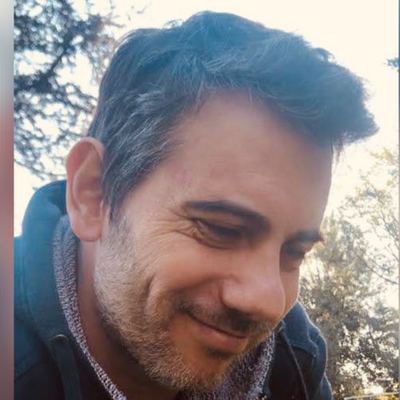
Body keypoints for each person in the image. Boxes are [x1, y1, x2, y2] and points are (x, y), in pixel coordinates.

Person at [15, 11, 377, 400]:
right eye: (221, 229)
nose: (268, 303)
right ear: (93, 194)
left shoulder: (292, 360)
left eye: (294, 253)